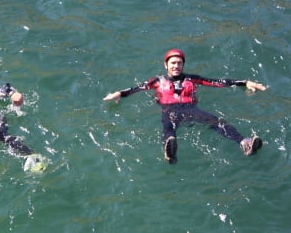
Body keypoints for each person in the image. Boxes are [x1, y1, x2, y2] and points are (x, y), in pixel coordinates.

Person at [103, 49, 266, 164]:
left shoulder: (192, 79)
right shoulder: (157, 81)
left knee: (217, 122)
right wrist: (120, 93)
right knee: (168, 130)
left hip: (190, 110)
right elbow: (137, 88)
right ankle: (170, 152)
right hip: (169, 110)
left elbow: (219, 82)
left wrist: (244, 82)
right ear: (166, 65)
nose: (176, 66)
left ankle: (245, 143)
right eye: (173, 63)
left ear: (183, 65)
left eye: (179, 63)